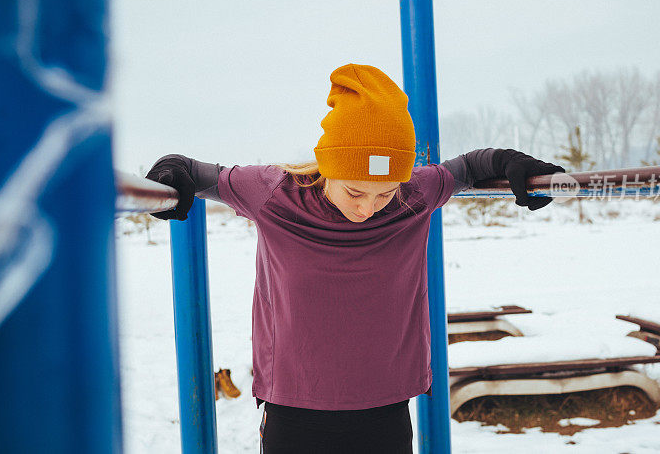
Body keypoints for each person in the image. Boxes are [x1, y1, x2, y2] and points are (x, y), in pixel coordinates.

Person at [145, 63, 564, 453]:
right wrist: (167, 174)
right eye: (355, 191)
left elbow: (470, 166)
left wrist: (513, 163)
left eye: (384, 193)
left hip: (386, 405)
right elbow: (190, 169)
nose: (369, 208)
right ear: (327, 168)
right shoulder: (275, 193)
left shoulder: (414, 195)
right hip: (295, 408)